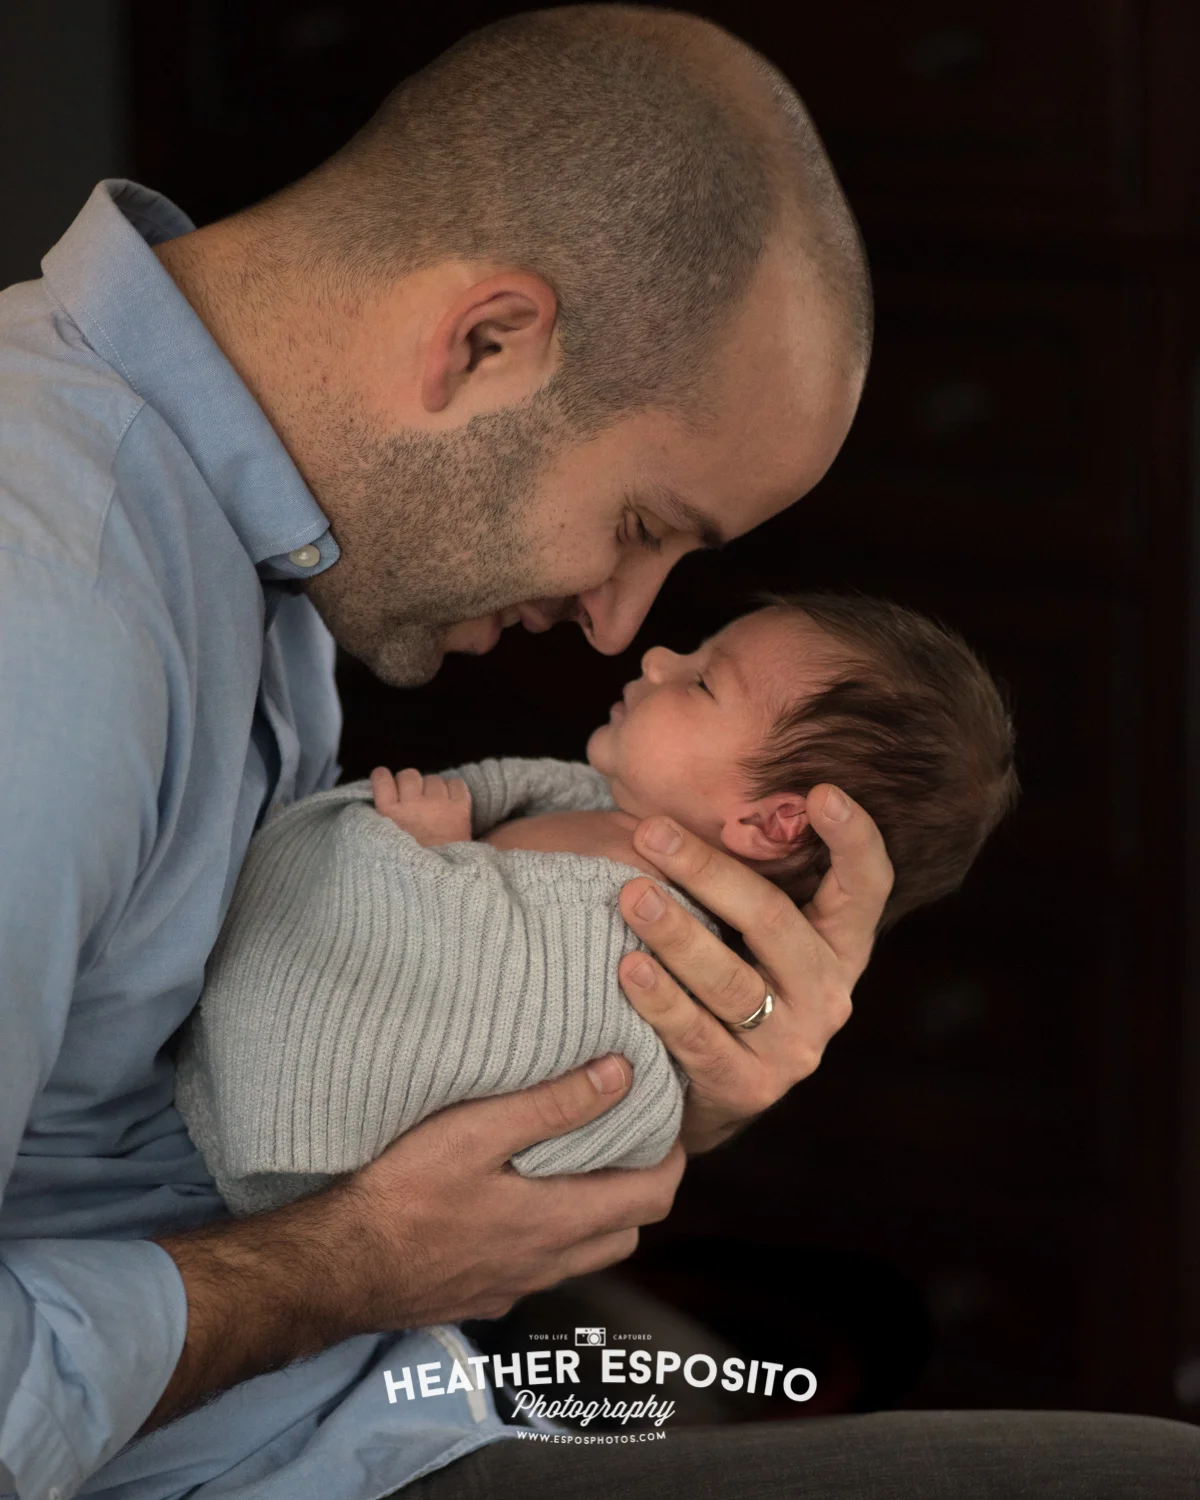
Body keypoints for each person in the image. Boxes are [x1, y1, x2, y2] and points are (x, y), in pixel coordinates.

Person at [0, 6, 1196, 1498]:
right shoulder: (49, 609)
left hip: (361, 1406)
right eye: (640, 528)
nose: (620, 621)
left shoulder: (235, 530)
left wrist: (653, 1070)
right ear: (488, 342)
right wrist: (361, 1257)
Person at [175, 592, 1019, 1216]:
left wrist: (423, 864)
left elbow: (491, 1004)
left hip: (308, 1135)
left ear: (772, 821)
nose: (656, 660)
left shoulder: (644, 923)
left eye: (701, 684)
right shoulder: (598, 813)